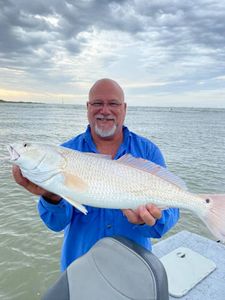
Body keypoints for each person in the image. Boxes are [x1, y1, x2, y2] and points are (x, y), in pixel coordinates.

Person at [12, 78, 179, 271]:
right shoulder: (66, 152)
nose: (105, 110)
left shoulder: (148, 152)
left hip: (134, 269)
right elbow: (55, 224)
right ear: (88, 107)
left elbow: (167, 219)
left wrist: (151, 220)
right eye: (97, 103)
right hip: (80, 266)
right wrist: (51, 195)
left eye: (113, 104)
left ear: (124, 108)